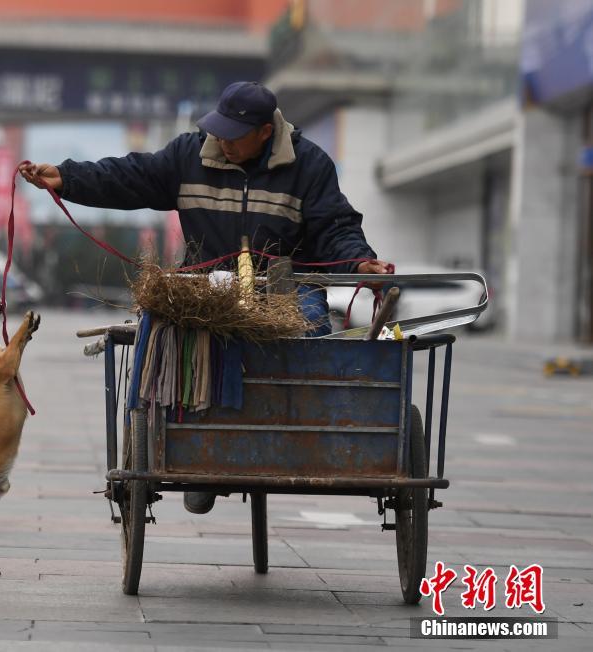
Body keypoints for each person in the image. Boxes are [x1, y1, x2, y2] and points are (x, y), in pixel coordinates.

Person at [20, 81, 393, 513]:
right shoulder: (190, 154)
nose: (222, 142)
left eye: (233, 137)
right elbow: (130, 175)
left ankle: (301, 439)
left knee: (310, 328)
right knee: (157, 333)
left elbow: (336, 228)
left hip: (284, 287)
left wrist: (361, 262)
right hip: (207, 283)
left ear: (264, 133)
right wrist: (66, 178)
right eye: (218, 131)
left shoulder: (310, 166)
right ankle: (182, 449)